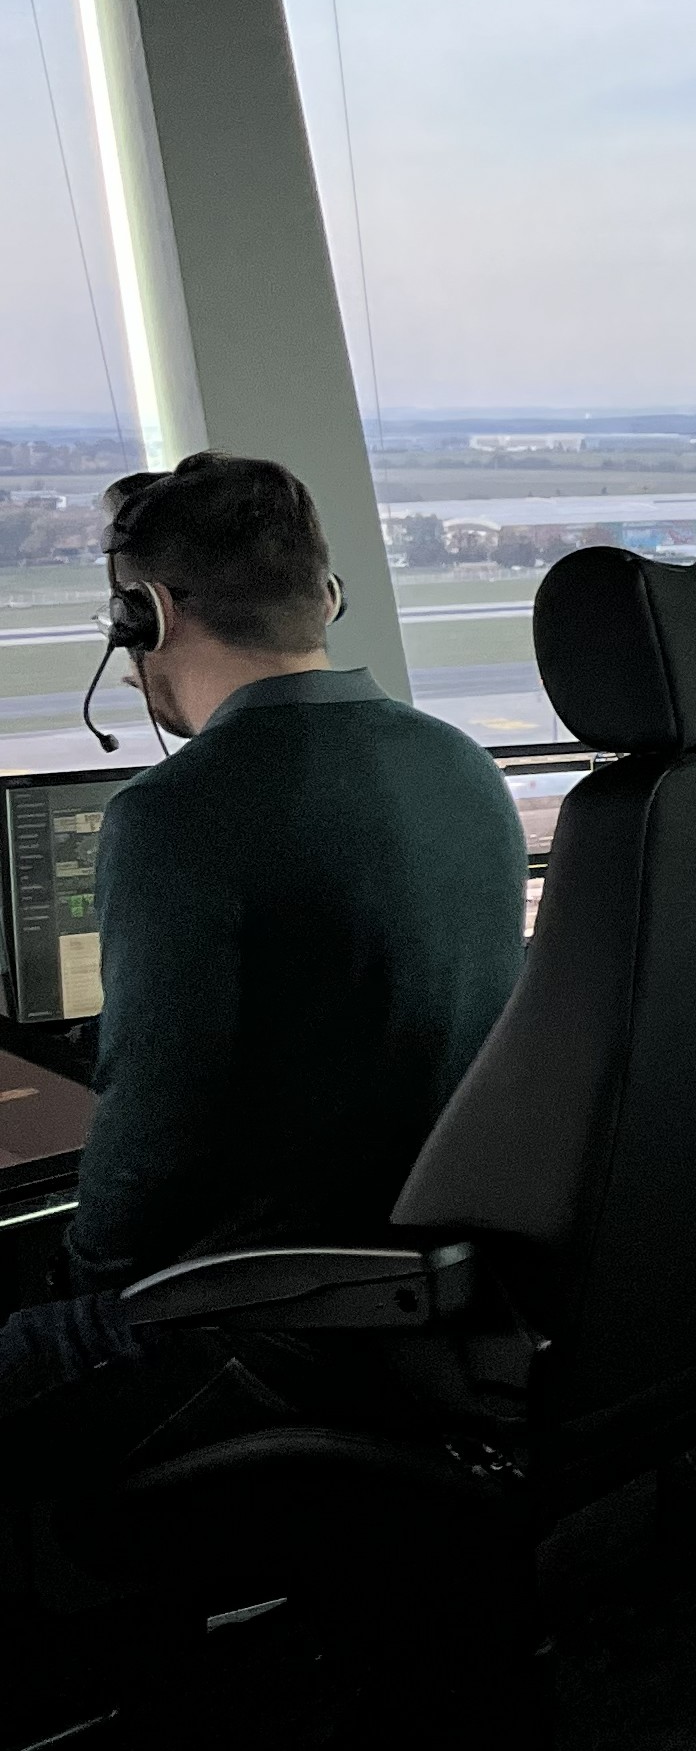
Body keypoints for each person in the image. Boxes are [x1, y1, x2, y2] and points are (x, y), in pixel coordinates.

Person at [1, 454, 524, 1469]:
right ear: (325, 596)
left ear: (148, 614)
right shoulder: (460, 763)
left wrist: (83, 1278)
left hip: (268, 1315)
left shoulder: (177, 813)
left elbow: (155, 1126)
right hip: (438, 1293)